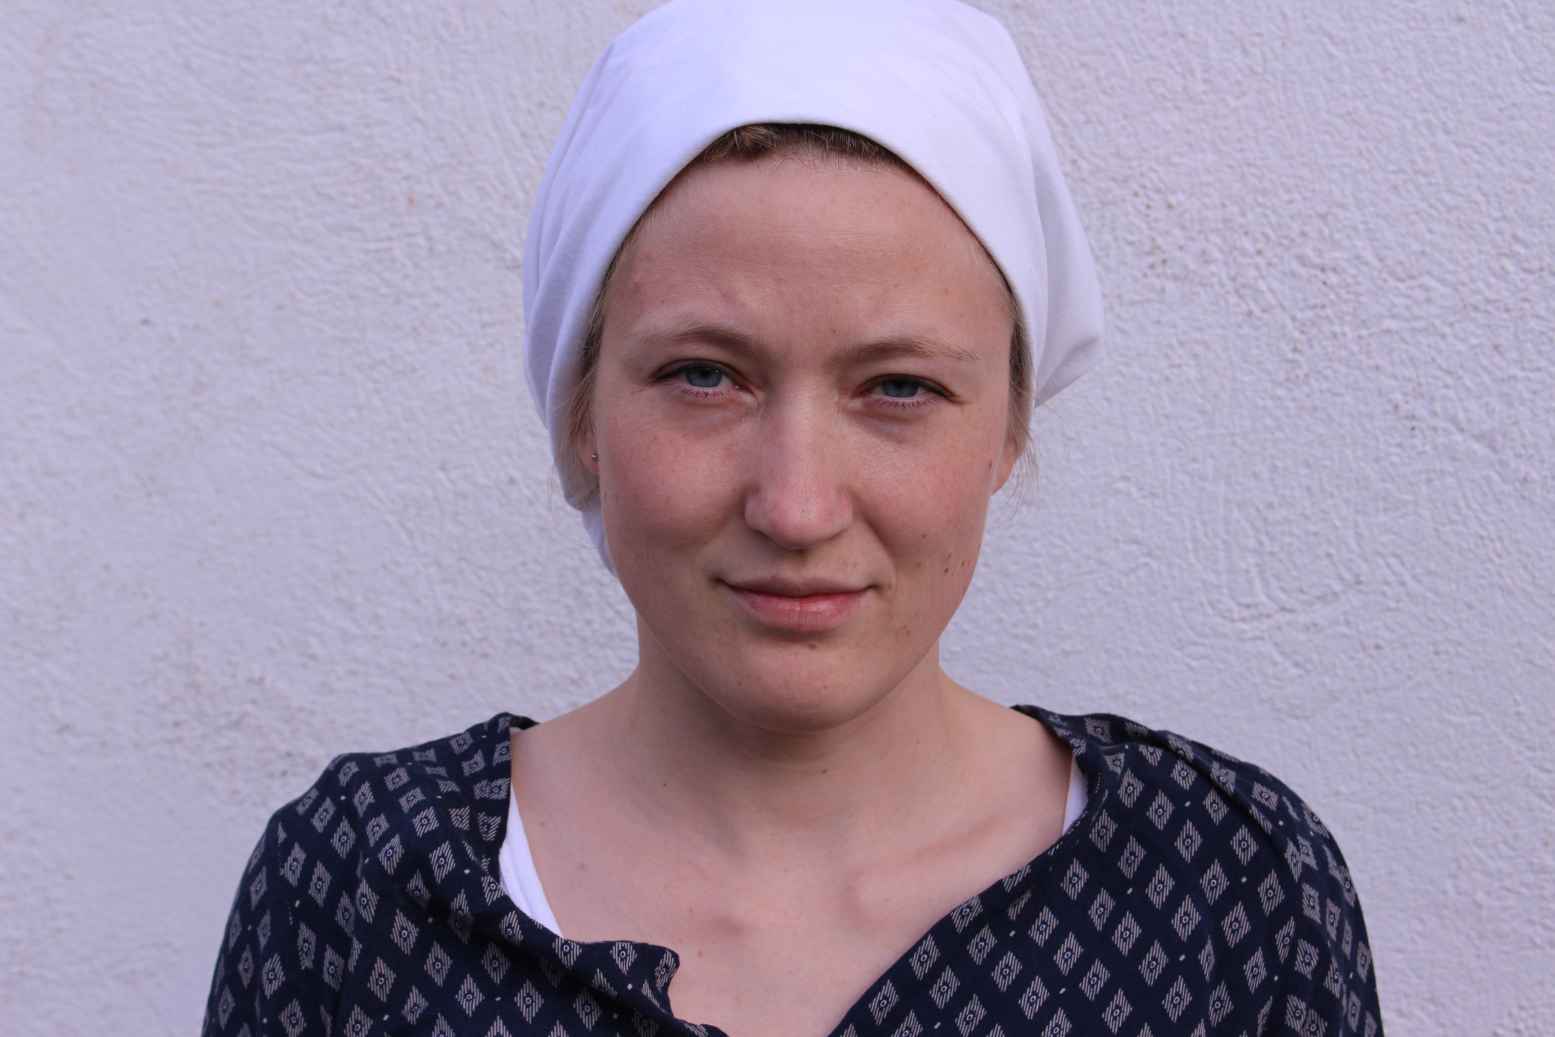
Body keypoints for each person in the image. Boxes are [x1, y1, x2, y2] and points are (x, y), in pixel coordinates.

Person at [202, 1, 1383, 1034]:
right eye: (704, 375)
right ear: (581, 413)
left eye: (898, 387)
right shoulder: (357, 891)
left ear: (1008, 429)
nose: (797, 504)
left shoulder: (1230, 892)